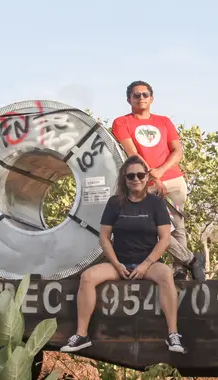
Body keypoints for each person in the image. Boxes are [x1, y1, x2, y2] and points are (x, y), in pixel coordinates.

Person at [61, 155, 185, 355]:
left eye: (140, 175)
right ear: (124, 179)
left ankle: (173, 334)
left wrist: (146, 264)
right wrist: (117, 264)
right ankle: (81, 335)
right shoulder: (114, 203)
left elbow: (164, 239)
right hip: (119, 263)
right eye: (130, 176)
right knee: (87, 277)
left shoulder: (156, 203)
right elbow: (104, 237)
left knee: (166, 275)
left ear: (146, 178)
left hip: (148, 263)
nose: (135, 179)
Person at [111, 80, 206, 281]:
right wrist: (152, 178)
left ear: (152, 98)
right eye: (136, 95)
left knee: (178, 225)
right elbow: (133, 155)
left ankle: (180, 270)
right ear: (129, 99)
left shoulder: (163, 121)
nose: (141, 98)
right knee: (152, 224)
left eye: (145, 94)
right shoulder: (122, 122)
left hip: (173, 178)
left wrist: (160, 172)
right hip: (143, 180)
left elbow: (178, 151)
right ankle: (192, 260)